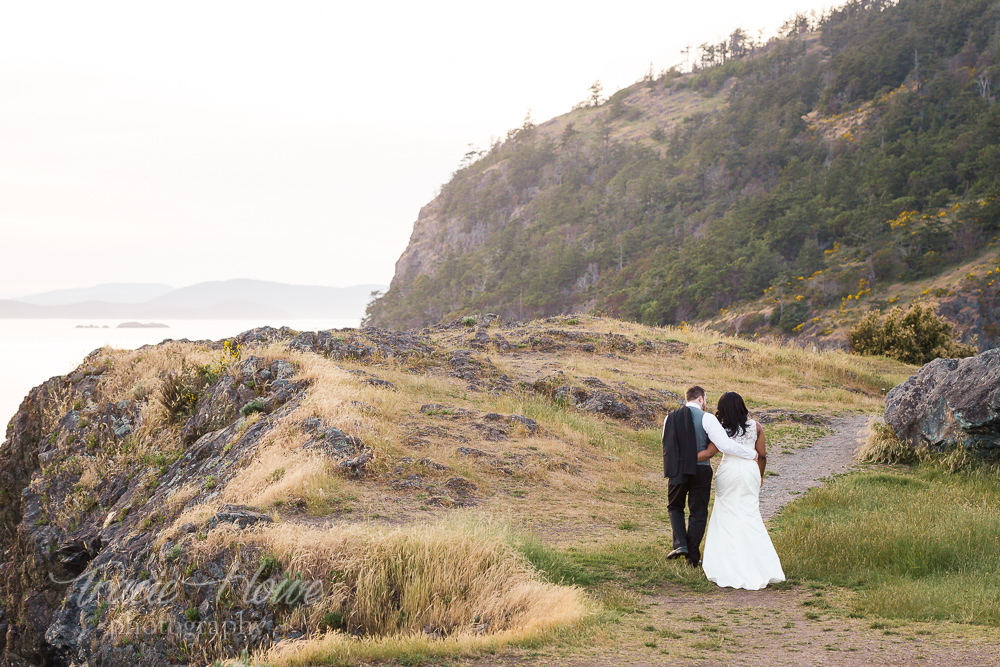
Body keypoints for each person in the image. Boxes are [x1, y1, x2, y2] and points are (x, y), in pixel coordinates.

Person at [662, 386, 758, 568]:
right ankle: (692, 557)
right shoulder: (707, 418)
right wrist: (749, 453)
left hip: (677, 471)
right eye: (705, 399)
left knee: (675, 507)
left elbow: (666, 442)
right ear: (700, 399)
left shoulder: (670, 418)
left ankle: (680, 544)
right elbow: (725, 445)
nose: (706, 403)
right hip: (700, 471)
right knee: (698, 512)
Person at [699, 391, 785, 589]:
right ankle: (763, 565)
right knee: (750, 514)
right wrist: (760, 475)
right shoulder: (756, 427)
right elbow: (762, 455)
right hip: (749, 471)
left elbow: (711, 452)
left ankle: (727, 563)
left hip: (728, 471)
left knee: (725, 514)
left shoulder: (720, 428)